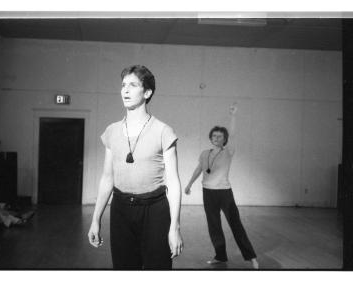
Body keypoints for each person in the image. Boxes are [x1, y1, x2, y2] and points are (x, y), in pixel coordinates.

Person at [88, 65, 183, 269]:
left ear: (147, 92)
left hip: (155, 211)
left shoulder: (163, 131)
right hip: (121, 209)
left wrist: (174, 227)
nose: (125, 90)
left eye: (133, 85)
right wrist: (96, 219)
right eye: (123, 85)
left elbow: (173, 183)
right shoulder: (112, 131)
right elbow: (107, 178)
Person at [184, 103, 259, 269]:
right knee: (214, 227)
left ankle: (251, 257)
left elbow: (233, 135)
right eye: (214, 136)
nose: (216, 138)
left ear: (224, 140)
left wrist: (233, 116)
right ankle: (220, 256)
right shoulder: (205, 153)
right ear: (210, 137)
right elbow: (199, 169)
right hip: (208, 193)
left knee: (235, 225)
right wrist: (189, 184)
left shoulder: (228, 151)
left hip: (224, 193)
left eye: (220, 136)